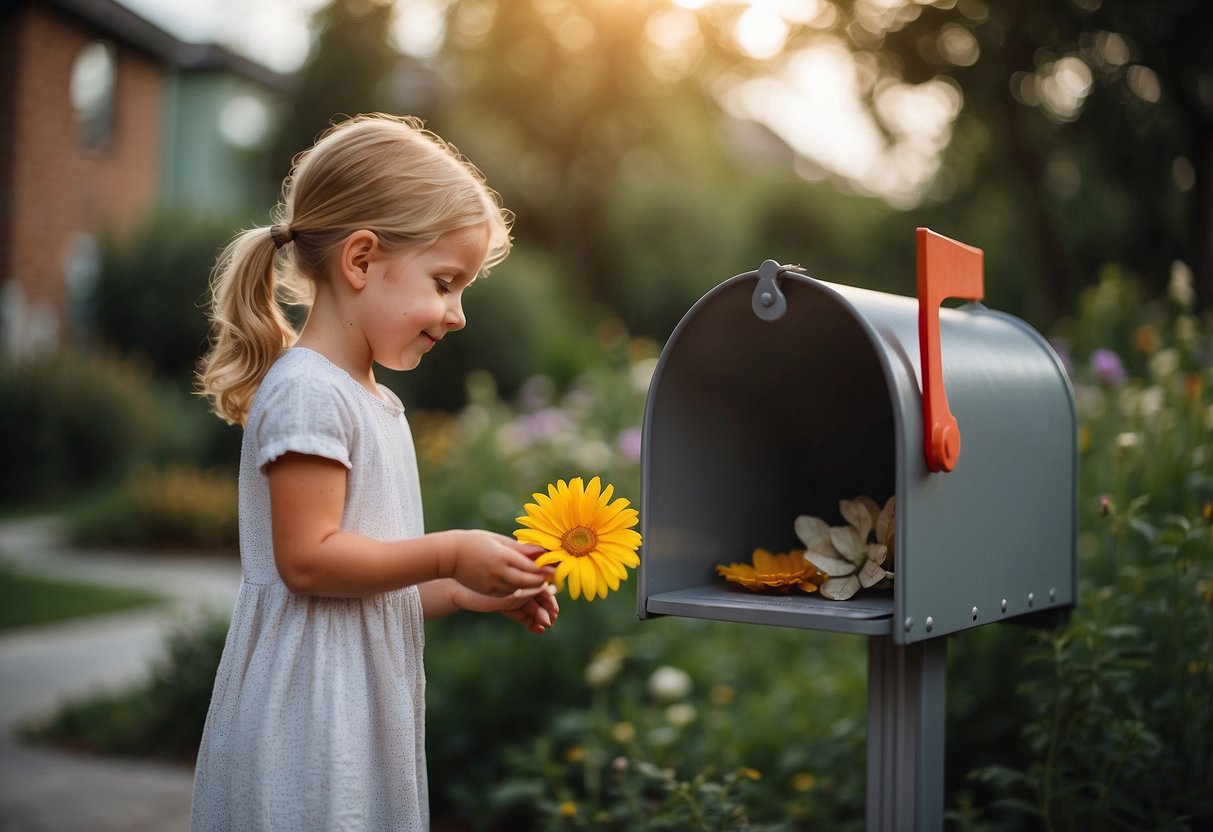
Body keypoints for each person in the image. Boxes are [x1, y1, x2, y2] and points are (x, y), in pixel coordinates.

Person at [191, 114, 559, 832]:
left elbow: (363, 584)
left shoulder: (374, 402)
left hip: (354, 712)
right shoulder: (309, 391)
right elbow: (309, 563)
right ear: (360, 260)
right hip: (305, 721)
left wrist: (459, 591)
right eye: (446, 282)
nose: (456, 315)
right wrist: (451, 550)